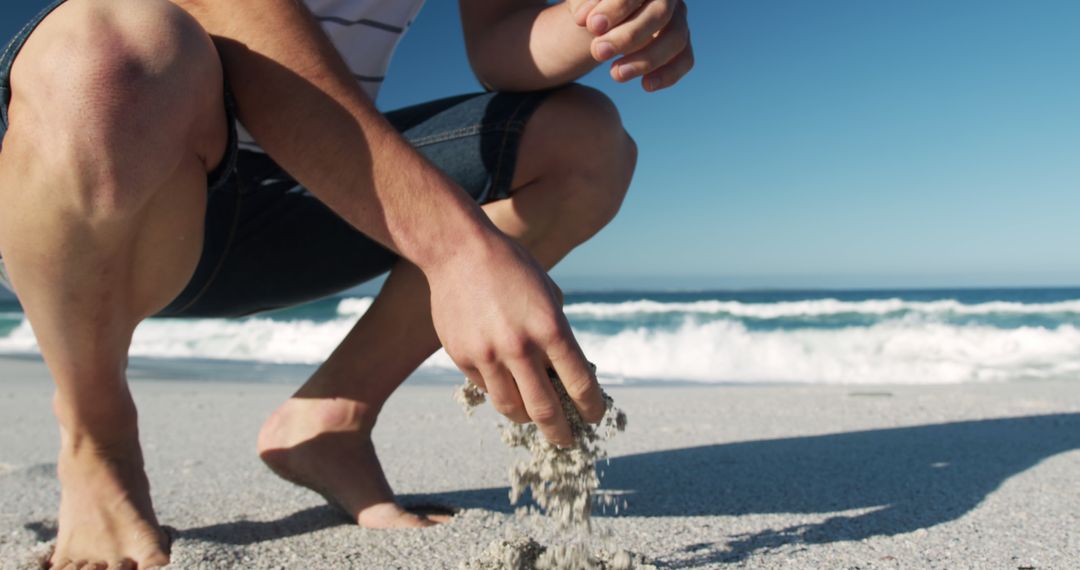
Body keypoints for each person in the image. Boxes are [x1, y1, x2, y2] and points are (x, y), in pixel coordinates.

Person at [0, 0, 693, 566]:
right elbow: (238, 16)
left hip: (313, 187)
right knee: (110, 52)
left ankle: (332, 419)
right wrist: (457, 251)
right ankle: (98, 436)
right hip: (109, 196)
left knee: (584, 142)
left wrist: (603, 19)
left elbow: (500, 43)